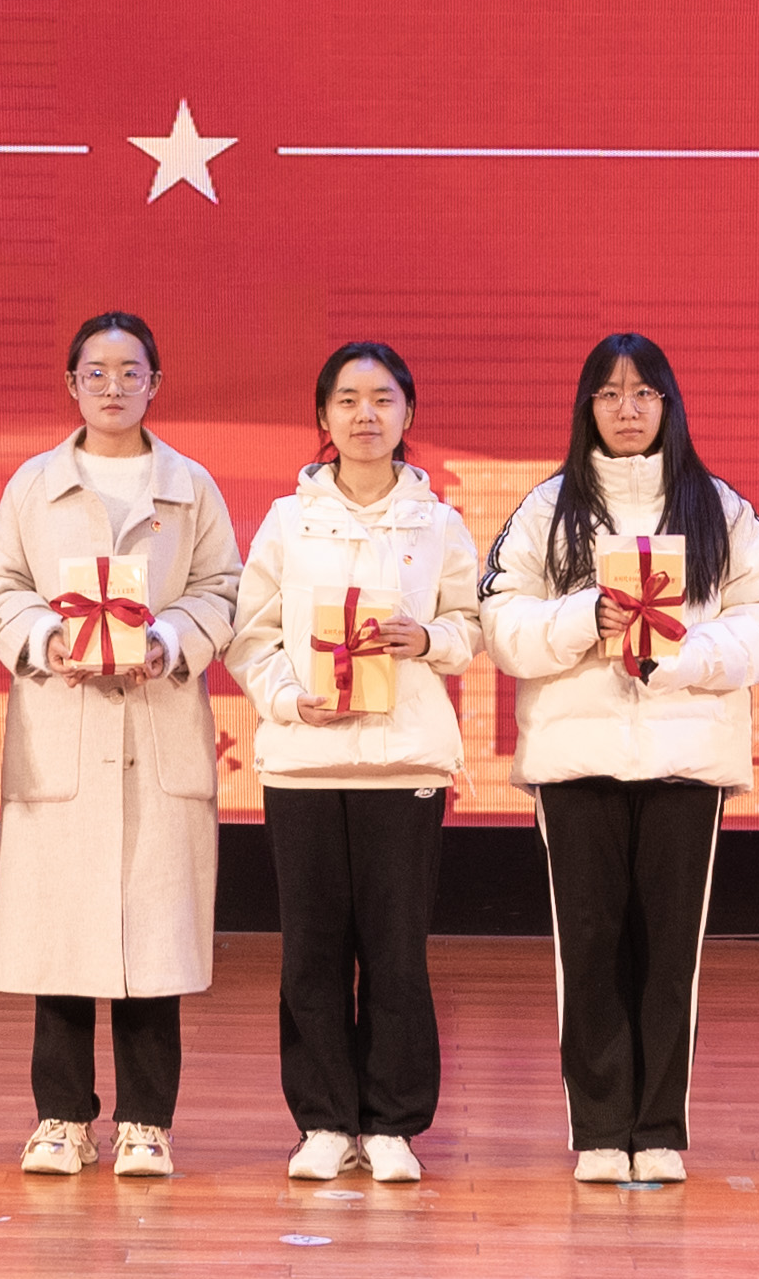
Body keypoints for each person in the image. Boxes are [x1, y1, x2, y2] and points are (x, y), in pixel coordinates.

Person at [481, 332, 759, 1189]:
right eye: (610, 394)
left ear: (669, 405)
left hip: (685, 755)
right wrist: (584, 619)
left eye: (644, 393)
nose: (628, 409)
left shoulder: (718, 507)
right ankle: (598, 1128)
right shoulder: (548, 507)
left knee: (669, 953)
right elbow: (501, 622)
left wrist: (684, 657)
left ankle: (657, 1128)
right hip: (576, 757)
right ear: (587, 407)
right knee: (587, 947)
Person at [0, 311, 243, 1179]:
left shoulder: (190, 486)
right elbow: (0, 586)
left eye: (132, 372)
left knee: (154, 938)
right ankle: (61, 1118)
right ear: (72, 385)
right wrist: (43, 637)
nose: (114, 387)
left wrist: (168, 638)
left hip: (155, 721)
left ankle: (146, 1122)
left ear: (155, 384)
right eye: (96, 372)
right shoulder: (34, 485)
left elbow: (222, 588)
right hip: (64, 724)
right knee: (61, 936)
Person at [224, 341, 484, 1184]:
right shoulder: (286, 521)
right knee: (312, 950)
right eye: (347, 399)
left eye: (382, 399)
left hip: (403, 764)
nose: (364, 415)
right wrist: (288, 700)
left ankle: (393, 1124)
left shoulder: (438, 522)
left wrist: (428, 637)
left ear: (408, 413)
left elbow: (471, 625)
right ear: (323, 417)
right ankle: (324, 1121)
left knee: (397, 949)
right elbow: (250, 635)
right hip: (306, 763)